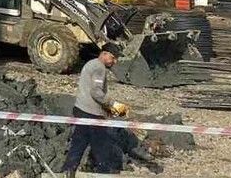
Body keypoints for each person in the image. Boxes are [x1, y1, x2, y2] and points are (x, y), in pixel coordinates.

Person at [61, 43, 163, 176]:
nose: (114, 62)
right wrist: (113, 104)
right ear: (104, 54)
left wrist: (107, 110)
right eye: (113, 58)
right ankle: (103, 172)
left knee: (79, 142)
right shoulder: (99, 68)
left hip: (81, 108)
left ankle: (68, 170)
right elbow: (96, 93)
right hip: (91, 113)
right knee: (102, 145)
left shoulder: (90, 64)